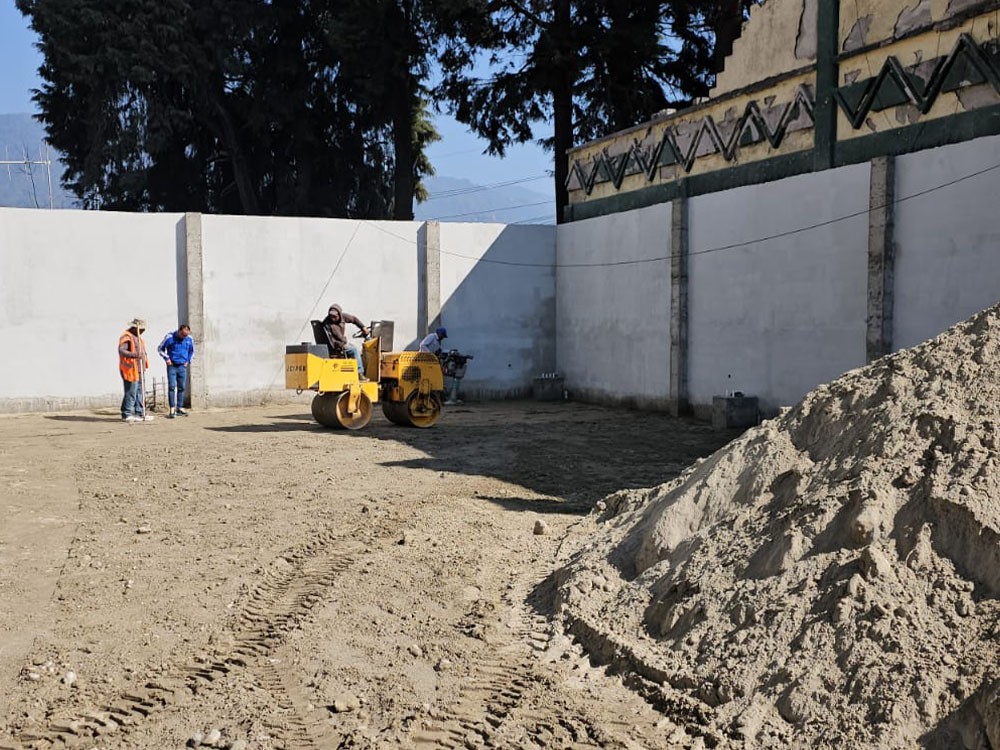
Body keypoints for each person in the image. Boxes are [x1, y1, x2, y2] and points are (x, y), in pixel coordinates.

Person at [322, 304, 370, 380]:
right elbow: (339, 338)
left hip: (338, 342)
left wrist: (363, 327)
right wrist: (345, 342)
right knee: (354, 350)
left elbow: (354, 319)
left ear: (339, 314)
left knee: (352, 347)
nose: (333, 318)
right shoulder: (330, 324)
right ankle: (359, 373)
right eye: (331, 316)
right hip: (336, 344)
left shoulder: (343, 317)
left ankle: (353, 372)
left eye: (334, 316)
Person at [118, 318, 153, 422]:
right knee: (131, 392)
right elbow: (122, 351)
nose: (143, 331)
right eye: (142, 329)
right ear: (135, 328)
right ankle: (126, 413)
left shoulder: (138, 338)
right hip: (130, 369)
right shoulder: (127, 337)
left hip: (139, 369)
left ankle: (140, 412)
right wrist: (134, 355)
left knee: (139, 392)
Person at [157, 324, 194, 418]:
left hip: (182, 366)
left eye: (186, 335)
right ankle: (172, 408)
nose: (184, 337)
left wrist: (188, 361)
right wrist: (167, 359)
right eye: (182, 335)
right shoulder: (169, 337)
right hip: (172, 365)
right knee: (172, 387)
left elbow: (192, 351)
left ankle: (180, 407)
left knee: (181, 387)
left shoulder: (189, 339)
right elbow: (160, 349)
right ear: (179, 331)